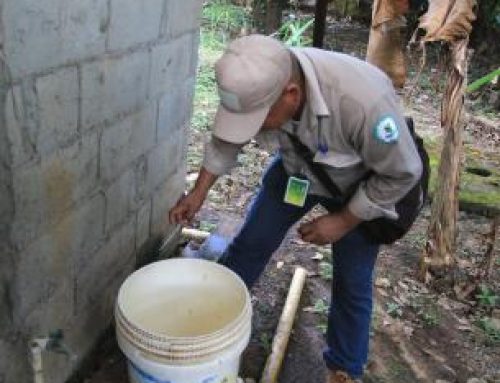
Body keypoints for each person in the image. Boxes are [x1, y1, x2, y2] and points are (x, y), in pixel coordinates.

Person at [169, 34, 423, 383]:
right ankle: (214, 324)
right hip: (296, 172)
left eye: (259, 118)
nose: (252, 128)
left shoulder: (364, 104)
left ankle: (344, 369)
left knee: (352, 281)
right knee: (250, 243)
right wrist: (198, 193)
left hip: (360, 186)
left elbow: (403, 173)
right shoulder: (254, 79)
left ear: (291, 94)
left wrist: (344, 220)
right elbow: (226, 140)